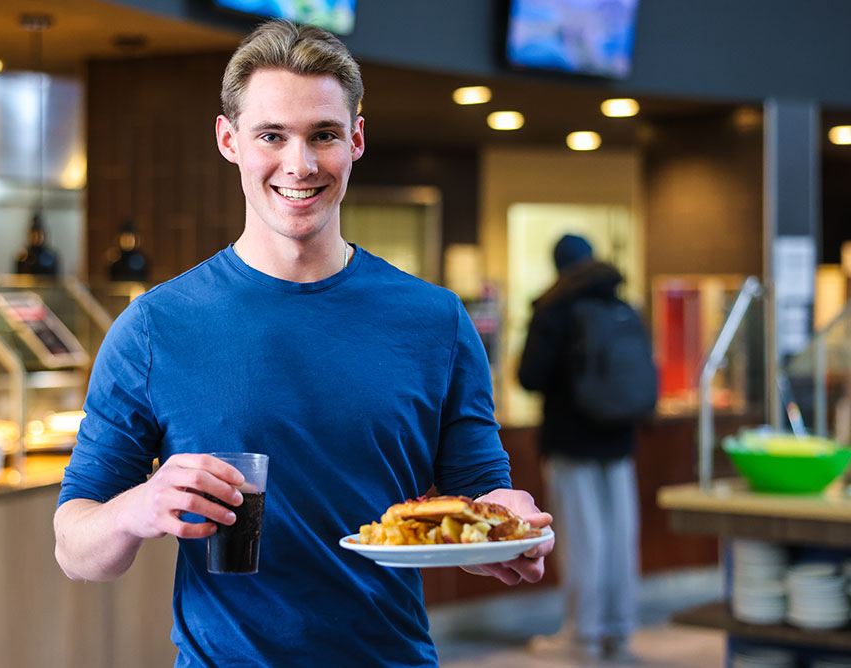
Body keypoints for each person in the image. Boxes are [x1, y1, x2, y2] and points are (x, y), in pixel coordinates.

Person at [54, 19, 553, 668]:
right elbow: (75, 547)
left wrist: (509, 524)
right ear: (229, 140)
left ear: (356, 140)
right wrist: (137, 509)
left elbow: (481, 495)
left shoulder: (435, 320)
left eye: (323, 135)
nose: (300, 164)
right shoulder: (154, 328)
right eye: (271, 136)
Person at [517, 233, 642, 662]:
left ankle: (583, 635)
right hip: (620, 440)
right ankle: (619, 629)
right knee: (620, 537)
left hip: (571, 441)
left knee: (581, 540)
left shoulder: (554, 307)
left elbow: (529, 375)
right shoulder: (621, 303)